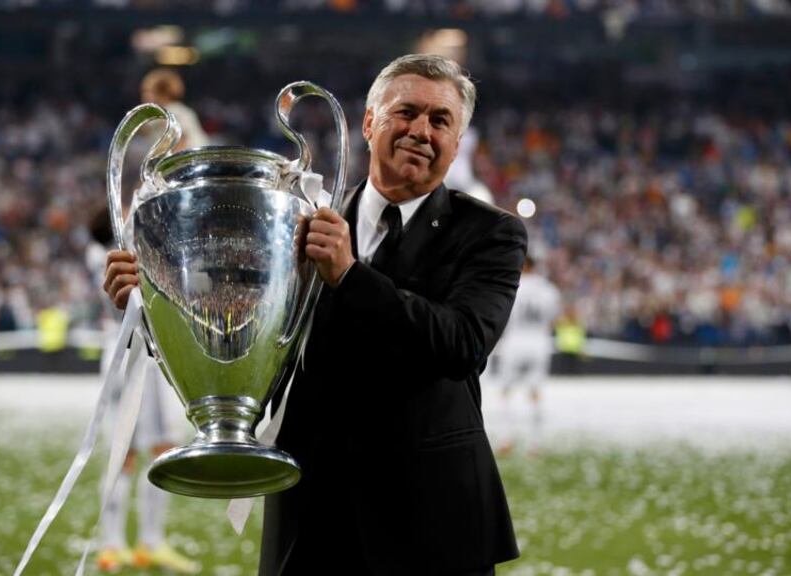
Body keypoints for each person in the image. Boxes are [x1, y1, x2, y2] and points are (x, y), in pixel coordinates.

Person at [104, 53, 527, 575]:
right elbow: (245, 343)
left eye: (440, 120)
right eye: (406, 112)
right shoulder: (297, 223)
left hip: (429, 520)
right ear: (369, 123)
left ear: (457, 143)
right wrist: (151, 307)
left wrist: (351, 275)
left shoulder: (491, 233)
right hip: (311, 516)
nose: (421, 130)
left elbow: (461, 344)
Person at [91, 68, 206, 575]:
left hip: (160, 339)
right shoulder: (138, 192)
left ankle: (148, 540)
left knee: (158, 444)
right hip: (127, 339)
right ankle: (112, 543)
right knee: (126, 444)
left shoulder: (163, 144)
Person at [491, 255, 560, 452]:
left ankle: (506, 439)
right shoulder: (549, 290)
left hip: (515, 342)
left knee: (505, 391)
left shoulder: (512, 285)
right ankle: (535, 444)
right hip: (539, 343)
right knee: (535, 392)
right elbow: (552, 319)